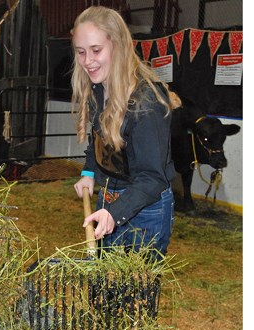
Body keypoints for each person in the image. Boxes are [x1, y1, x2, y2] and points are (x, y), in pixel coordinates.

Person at [71, 6, 180, 260]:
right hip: (110, 197)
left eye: (96, 50)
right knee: (105, 288)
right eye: (80, 52)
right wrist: (89, 171)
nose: (87, 61)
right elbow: (99, 139)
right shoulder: (98, 88)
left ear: (118, 45)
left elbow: (153, 177)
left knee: (135, 293)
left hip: (146, 207)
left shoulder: (146, 101)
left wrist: (115, 212)